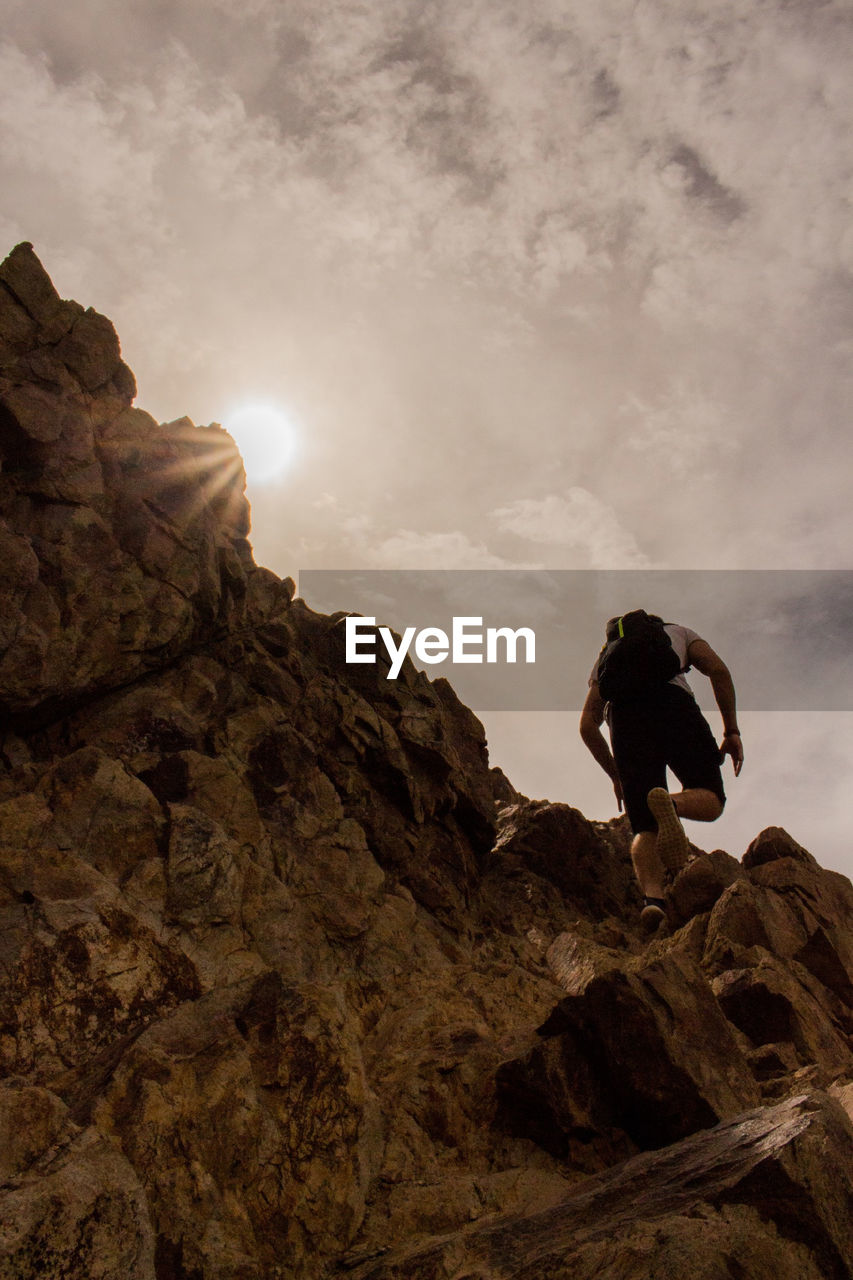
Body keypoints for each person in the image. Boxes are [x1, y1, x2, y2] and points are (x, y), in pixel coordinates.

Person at [579, 612, 744, 928]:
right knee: (712, 798)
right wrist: (731, 732)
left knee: (644, 826)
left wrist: (616, 776)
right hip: (674, 704)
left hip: (625, 719)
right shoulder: (679, 632)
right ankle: (672, 804)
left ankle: (653, 900)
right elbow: (719, 671)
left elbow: (588, 725)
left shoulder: (606, 658)